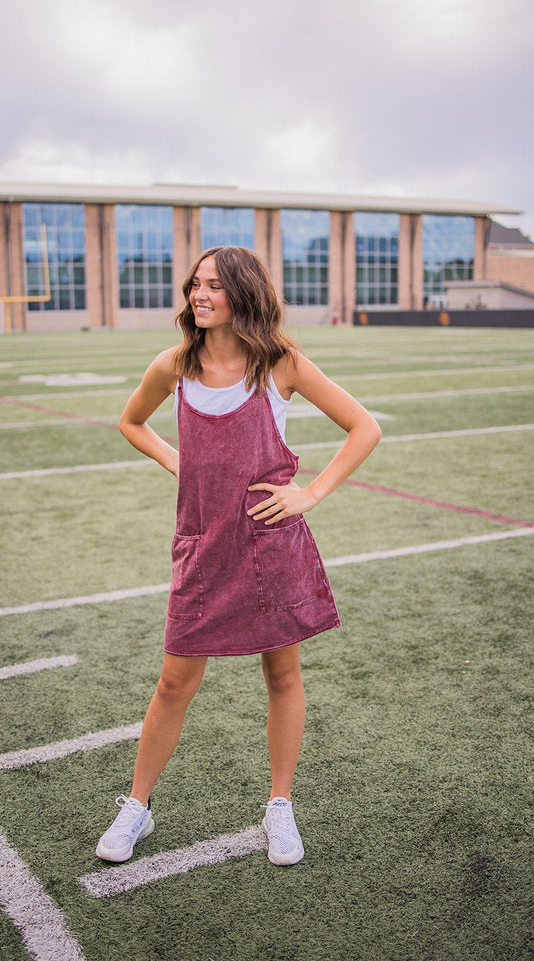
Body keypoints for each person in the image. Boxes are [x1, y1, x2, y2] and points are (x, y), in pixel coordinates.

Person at [96, 246, 381, 867]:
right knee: (174, 681)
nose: (199, 295)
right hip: (203, 547)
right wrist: (182, 464)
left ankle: (280, 804)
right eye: (195, 285)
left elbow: (365, 427)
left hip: (269, 546)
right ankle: (137, 807)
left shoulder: (280, 365)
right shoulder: (173, 364)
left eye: (214, 286)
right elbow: (132, 423)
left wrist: (309, 493)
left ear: (243, 295)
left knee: (281, 676)